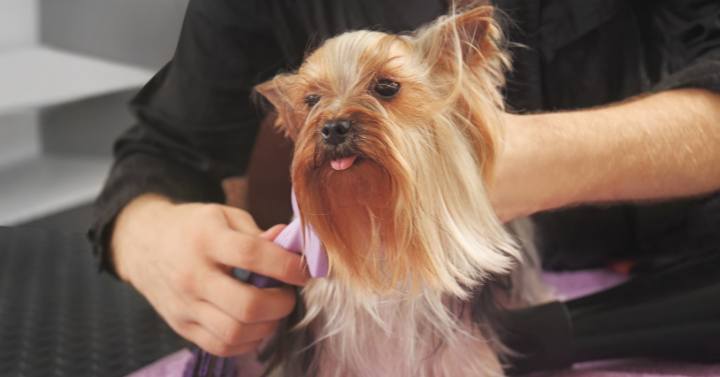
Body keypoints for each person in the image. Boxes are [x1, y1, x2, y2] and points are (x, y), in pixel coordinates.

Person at [89, 0, 720, 357]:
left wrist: (546, 157)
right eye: (311, 106)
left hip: (688, 286)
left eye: (385, 91)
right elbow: (164, 147)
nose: (333, 122)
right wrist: (148, 236)